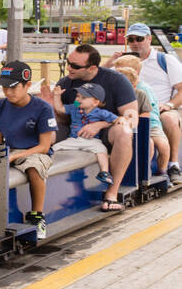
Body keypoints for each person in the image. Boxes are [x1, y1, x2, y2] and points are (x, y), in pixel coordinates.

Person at [40, 44, 138, 210]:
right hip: (75, 131)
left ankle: (111, 193)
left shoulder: (116, 80)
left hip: (108, 132)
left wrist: (99, 125)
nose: (69, 68)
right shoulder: (66, 82)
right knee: (43, 129)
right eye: (68, 62)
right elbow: (64, 119)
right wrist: (52, 108)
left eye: (75, 66)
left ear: (92, 67)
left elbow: (131, 117)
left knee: (124, 130)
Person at [0, 60, 57, 239]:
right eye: (4, 88)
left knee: (34, 169)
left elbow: (44, 146)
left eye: (13, 87)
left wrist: (14, 157)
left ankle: (37, 216)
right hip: (9, 151)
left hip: (35, 152)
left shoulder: (43, 108)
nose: (8, 92)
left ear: (27, 85)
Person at [110, 22, 182, 185]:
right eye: (131, 39)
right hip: (130, 110)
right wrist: (111, 62)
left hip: (161, 108)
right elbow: (101, 82)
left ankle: (173, 165)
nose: (135, 43)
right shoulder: (123, 64)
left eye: (139, 38)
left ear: (149, 39)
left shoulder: (165, 60)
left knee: (169, 119)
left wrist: (169, 105)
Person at [52, 85, 119, 200]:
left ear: (95, 102)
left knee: (101, 150)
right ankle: (46, 163)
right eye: (78, 96)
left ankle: (104, 172)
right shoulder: (75, 107)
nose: (78, 99)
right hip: (74, 139)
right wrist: (56, 96)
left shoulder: (101, 113)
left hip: (91, 141)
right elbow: (60, 109)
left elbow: (115, 120)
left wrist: (120, 120)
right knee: (55, 147)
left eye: (83, 97)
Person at [110, 56, 170, 176]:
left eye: (122, 70)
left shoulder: (142, 90)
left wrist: (135, 120)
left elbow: (148, 112)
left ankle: (163, 169)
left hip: (150, 124)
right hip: (127, 126)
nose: (118, 74)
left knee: (161, 144)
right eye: (116, 71)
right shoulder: (114, 90)